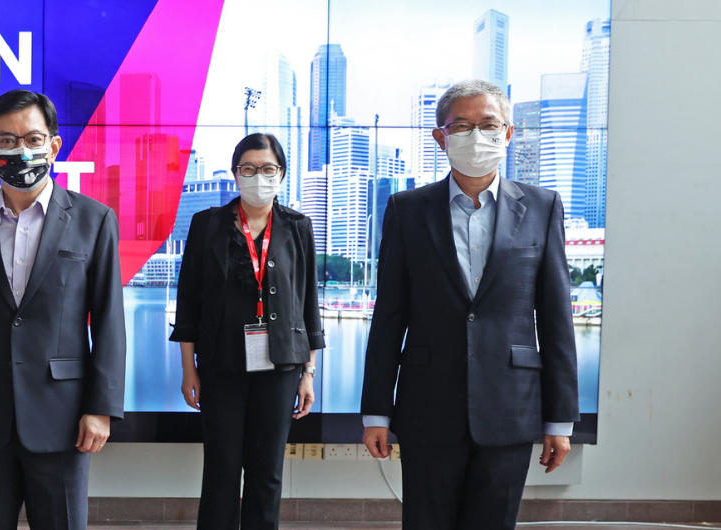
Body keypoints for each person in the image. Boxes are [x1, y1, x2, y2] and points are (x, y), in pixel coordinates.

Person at [359, 79, 578, 529]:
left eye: (488, 124)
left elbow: (556, 320)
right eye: (461, 126)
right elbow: (389, 318)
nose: (476, 136)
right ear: (441, 137)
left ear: (508, 133)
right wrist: (376, 410)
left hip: (511, 407)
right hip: (428, 407)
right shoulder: (406, 209)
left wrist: (561, 420)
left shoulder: (542, 207)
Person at [0, 89, 126, 530]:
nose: (21, 150)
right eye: (7, 141)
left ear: (53, 146)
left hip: (63, 418)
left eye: (33, 139)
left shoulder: (94, 220)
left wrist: (102, 407)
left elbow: (109, 322)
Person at [170, 133, 323, 529]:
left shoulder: (297, 226)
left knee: (267, 473)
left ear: (282, 174)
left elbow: (308, 305)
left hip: (283, 367)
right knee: (221, 471)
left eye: (268, 169)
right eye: (249, 169)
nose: (259, 176)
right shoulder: (208, 224)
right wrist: (189, 368)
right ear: (236, 174)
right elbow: (189, 301)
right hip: (221, 365)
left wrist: (308, 373)